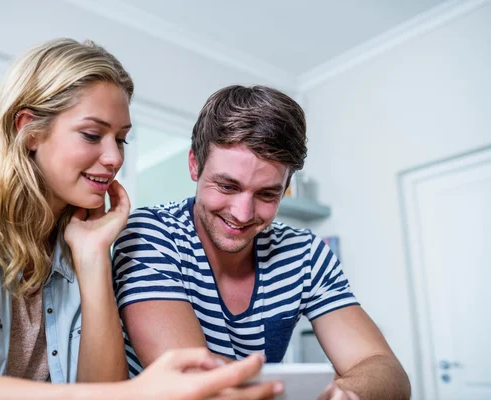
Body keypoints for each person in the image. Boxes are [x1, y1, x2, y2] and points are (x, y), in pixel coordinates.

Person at [0, 39, 281, 400]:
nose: (114, 158)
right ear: (28, 130)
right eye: (93, 135)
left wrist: (93, 255)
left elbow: (100, 389)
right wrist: (135, 394)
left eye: (121, 138)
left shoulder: (76, 243)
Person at [113, 85, 412, 399]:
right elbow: (196, 386)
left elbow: (382, 368)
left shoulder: (306, 254)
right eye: (227, 186)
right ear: (194, 164)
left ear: (285, 189)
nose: (242, 214)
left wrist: (346, 395)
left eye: (267, 194)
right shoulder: (150, 233)